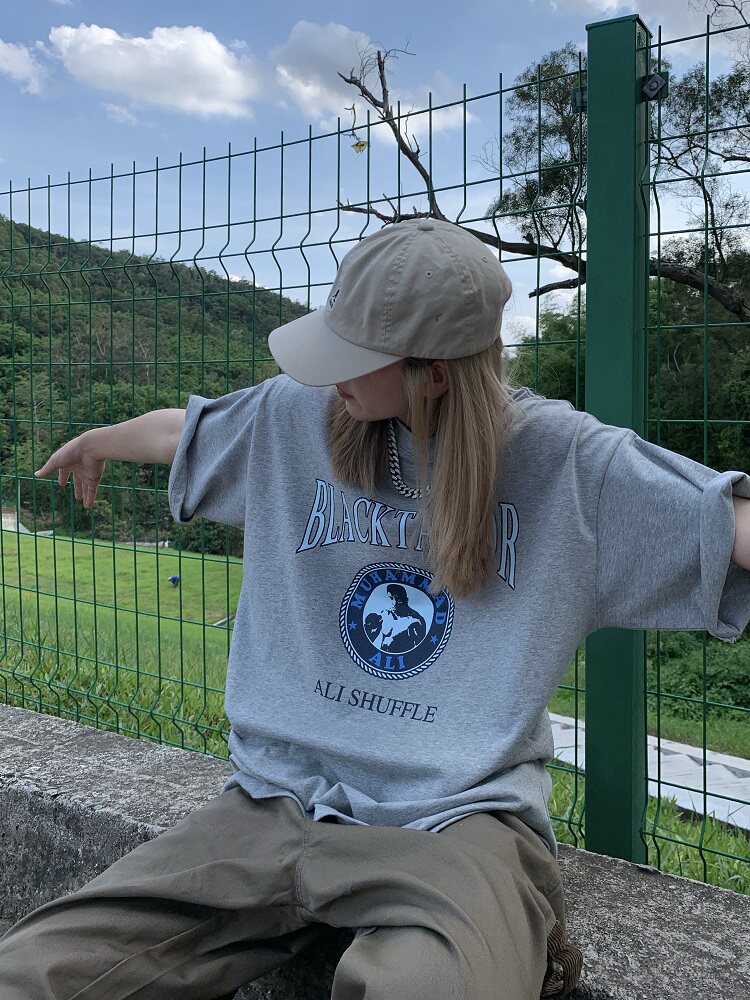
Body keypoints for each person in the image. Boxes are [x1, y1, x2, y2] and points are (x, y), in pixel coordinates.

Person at [3, 217, 750, 1000]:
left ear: (436, 374)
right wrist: (98, 440)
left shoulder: (567, 464)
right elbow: (184, 431)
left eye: (354, 358)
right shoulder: (294, 415)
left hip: (455, 822)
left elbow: (724, 524)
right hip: (273, 802)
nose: (330, 378)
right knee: (33, 973)